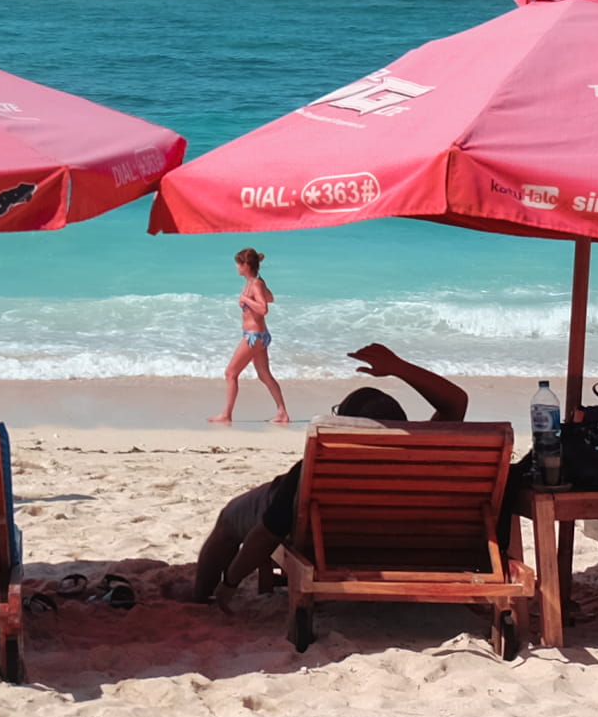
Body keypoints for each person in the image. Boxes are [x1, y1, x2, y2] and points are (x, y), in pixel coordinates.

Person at [189, 344, 472, 602]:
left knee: (230, 517)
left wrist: (230, 583)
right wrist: (399, 367)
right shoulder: (422, 456)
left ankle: (200, 596)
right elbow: (456, 402)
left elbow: (267, 534)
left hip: (326, 539)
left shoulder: (316, 469)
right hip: (396, 539)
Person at [213, 248, 291, 425]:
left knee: (230, 373)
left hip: (253, 336)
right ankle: (282, 413)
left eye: (239, 264)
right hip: (260, 335)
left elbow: (264, 308)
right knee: (264, 375)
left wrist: (246, 299)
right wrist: (254, 294)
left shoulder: (255, 284)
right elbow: (270, 297)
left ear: (246, 265)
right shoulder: (256, 282)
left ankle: (226, 415)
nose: (236, 267)